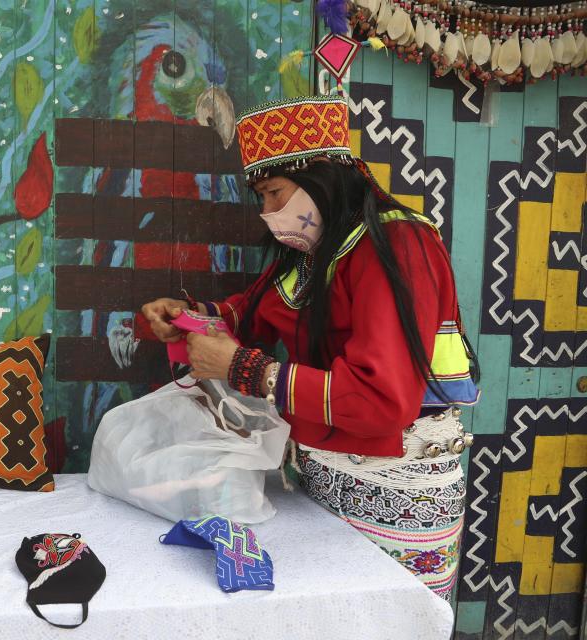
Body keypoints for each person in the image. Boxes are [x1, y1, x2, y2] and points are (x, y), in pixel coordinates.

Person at [141, 95, 480, 603]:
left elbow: (382, 399)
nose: (267, 213)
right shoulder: (312, 256)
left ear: (323, 177)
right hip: (318, 478)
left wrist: (242, 367)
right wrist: (184, 320)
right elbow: (249, 314)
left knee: (389, 623)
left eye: (274, 193)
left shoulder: (396, 246)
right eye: (261, 199)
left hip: (399, 489)